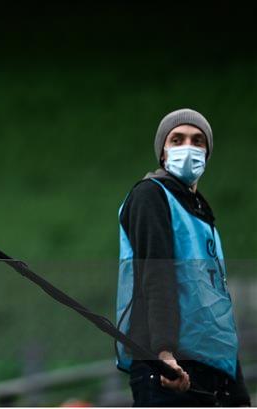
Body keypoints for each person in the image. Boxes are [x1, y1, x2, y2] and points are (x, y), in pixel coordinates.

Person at [115, 109, 251, 406]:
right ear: (163, 153)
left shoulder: (204, 218)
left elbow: (218, 305)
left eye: (197, 140)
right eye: (177, 139)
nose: (188, 147)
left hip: (214, 372)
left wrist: (236, 386)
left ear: (207, 153)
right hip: (169, 369)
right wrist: (164, 354)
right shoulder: (150, 195)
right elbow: (157, 276)